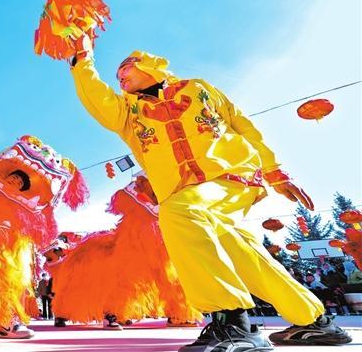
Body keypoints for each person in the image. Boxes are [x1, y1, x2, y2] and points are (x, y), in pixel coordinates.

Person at [66, 33, 352, 351]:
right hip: (186, 191)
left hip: (231, 176)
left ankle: (233, 324)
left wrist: (274, 170)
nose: (119, 76)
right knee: (239, 251)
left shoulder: (198, 88)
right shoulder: (128, 113)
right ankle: (313, 320)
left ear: (149, 65)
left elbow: (241, 124)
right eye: (117, 75)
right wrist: (82, 59)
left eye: (126, 68)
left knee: (181, 211)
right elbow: (96, 97)